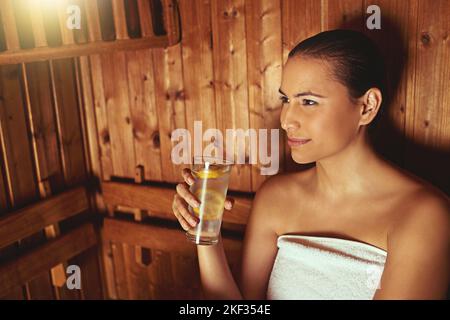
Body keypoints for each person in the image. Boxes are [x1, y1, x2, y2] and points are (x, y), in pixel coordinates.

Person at [171, 29, 450, 300]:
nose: (286, 120)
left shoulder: (423, 216)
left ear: (367, 106)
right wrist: (206, 233)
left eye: (308, 101)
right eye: (286, 99)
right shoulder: (276, 197)